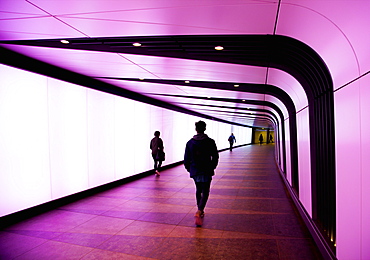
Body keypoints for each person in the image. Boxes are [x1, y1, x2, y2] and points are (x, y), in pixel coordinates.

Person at [184, 121, 219, 226]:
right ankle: (199, 210)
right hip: (206, 169)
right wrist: (212, 166)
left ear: (196, 129)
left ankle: (200, 210)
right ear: (205, 128)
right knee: (206, 191)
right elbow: (215, 156)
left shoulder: (190, 143)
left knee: (198, 190)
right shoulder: (210, 142)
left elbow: (186, 159)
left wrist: (189, 169)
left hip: (195, 170)